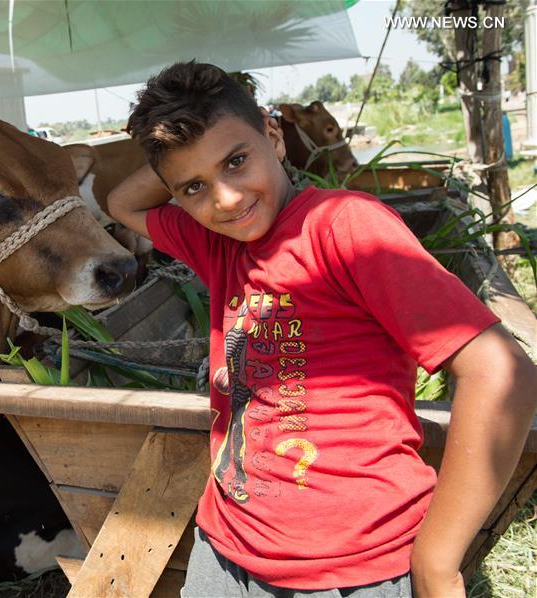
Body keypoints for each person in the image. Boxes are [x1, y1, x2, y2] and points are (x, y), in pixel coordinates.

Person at [107, 61, 537, 598]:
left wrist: (438, 559)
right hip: (224, 548)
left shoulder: (344, 226)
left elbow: (501, 373)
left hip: (354, 567)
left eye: (237, 161)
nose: (226, 199)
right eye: (194, 186)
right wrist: (186, 142)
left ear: (274, 135)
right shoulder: (215, 241)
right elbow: (120, 203)